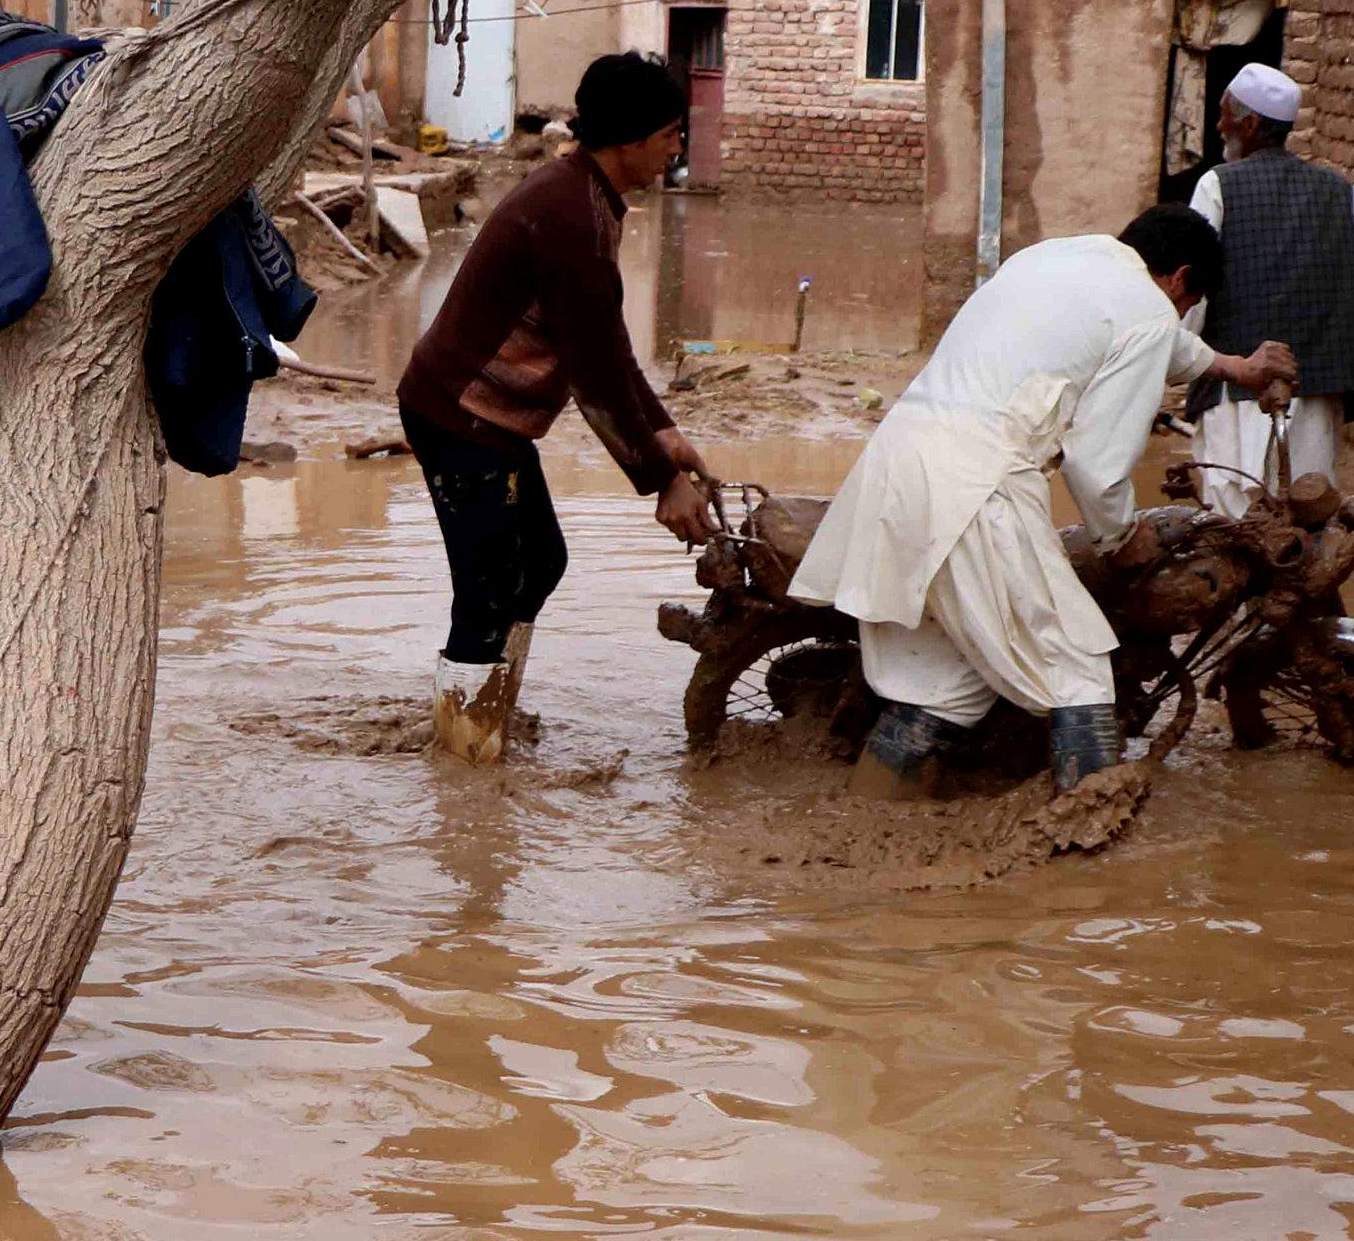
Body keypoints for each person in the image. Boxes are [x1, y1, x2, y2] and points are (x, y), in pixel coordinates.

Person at [790, 207, 1297, 795]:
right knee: (1078, 671)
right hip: (977, 487)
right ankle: (1085, 849)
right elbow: (1095, 462)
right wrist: (1122, 535)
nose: (1178, 318)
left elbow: (1150, 340)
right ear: (1181, 278)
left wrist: (1235, 367)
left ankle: (864, 827)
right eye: (1187, 305)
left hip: (896, 466)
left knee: (941, 687)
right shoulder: (1151, 314)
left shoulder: (1054, 258)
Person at [395, 52, 717, 764]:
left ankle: (489, 713)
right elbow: (595, 373)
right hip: (460, 416)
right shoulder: (570, 215)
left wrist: (664, 432)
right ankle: (466, 764)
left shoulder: (590, 197)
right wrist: (662, 480)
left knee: (538, 561)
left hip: (491, 422)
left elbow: (607, 343)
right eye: (669, 134)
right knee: (485, 591)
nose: (676, 150)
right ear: (629, 140)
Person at [1183, 62, 1354, 514]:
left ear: (1249, 124)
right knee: (1305, 509)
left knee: (1230, 513)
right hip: (1318, 387)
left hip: (1239, 385)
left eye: (1224, 114)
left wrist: (1174, 357)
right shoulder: (1338, 190)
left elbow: (1193, 282)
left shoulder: (1217, 185)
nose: (1218, 125)